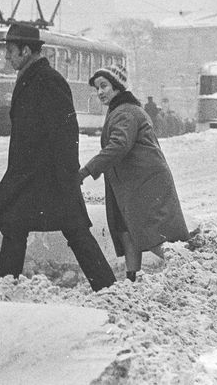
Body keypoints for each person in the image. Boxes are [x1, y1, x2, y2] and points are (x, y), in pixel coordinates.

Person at [0, 23, 116, 292]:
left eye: (10, 51)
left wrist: (67, 176)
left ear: (26, 50)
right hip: (31, 175)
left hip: (50, 176)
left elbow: (66, 132)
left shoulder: (48, 80)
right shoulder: (32, 77)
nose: (7, 57)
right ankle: (4, 287)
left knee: (74, 231)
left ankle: (109, 289)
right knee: (14, 226)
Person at [79, 64, 190, 282]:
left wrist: (86, 170)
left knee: (154, 234)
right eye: (97, 88)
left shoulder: (125, 112)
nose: (100, 92)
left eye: (104, 86)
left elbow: (119, 145)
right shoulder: (122, 110)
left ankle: (189, 270)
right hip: (134, 183)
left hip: (144, 183)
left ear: (118, 87)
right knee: (127, 230)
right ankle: (132, 277)